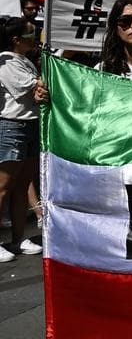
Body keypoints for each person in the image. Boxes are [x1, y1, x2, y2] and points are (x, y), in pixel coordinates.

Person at [0, 17, 44, 261]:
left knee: (22, 184)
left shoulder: (24, 61)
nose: (35, 37)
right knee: (3, 187)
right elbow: (29, 89)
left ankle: (17, 239)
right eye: (31, 34)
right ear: (16, 40)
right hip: (12, 127)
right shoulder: (6, 62)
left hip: (31, 125)